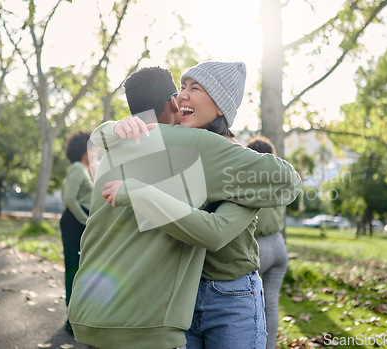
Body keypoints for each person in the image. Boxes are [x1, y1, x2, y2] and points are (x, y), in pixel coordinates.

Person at [68, 65, 301, 349]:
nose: (182, 96)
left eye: (195, 89)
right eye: (182, 87)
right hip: (178, 295)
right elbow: (120, 142)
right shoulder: (176, 142)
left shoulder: (235, 160)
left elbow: (217, 231)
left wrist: (141, 193)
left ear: (220, 106)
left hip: (230, 293)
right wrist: (113, 128)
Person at [247, 136, 289, 349]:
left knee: (244, 303)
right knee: (270, 303)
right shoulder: (281, 179)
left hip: (259, 247)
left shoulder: (252, 180)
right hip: (279, 245)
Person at [60, 131, 93, 334]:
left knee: (79, 268)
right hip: (75, 223)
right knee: (74, 267)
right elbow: (70, 199)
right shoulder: (78, 169)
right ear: (84, 150)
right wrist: (87, 221)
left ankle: (77, 317)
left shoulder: (82, 170)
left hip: (77, 222)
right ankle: (71, 320)